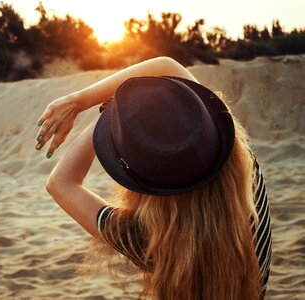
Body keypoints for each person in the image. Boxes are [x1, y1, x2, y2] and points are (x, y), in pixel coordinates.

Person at [35, 57, 272, 299]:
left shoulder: (151, 239)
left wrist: (111, 115)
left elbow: (60, 182)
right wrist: (81, 102)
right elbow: (167, 66)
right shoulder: (245, 175)